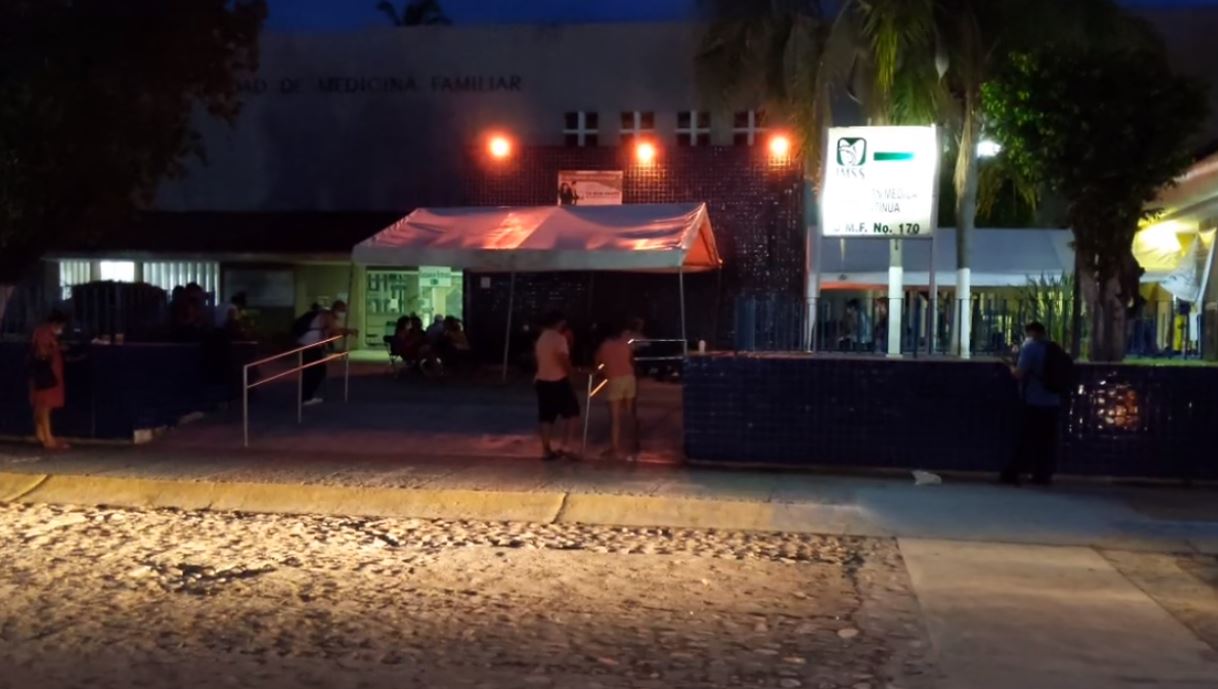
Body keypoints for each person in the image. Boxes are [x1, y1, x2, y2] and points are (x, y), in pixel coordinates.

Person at [1001, 321, 1063, 486]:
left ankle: (1013, 473)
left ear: (1032, 333)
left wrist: (1010, 366)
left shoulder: (1031, 348)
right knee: (1047, 442)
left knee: (1026, 438)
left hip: (1035, 400)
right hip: (1054, 401)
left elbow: (1019, 374)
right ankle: (1043, 475)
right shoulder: (1054, 348)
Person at [534, 310, 580, 460]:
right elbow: (563, 359)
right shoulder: (559, 339)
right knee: (572, 412)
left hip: (542, 380)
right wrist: (572, 373)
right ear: (559, 323)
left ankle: (546, 450)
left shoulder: (541, 338)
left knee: (546, 416)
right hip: (558, 379)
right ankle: (566, 446)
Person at [296, 300, 357, 406]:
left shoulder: (325, 315)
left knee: (313, 371)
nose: (343, 314)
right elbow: (335, 330)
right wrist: (348, 331)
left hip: (310, 344)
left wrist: (346, 331)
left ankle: (306, 396)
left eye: (344, 311)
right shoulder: (327, 315)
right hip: (310, 345)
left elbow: (332, 330)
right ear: (336, 309)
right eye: (342, 311)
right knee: (316, 371)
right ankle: (306, 397)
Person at [596, 321, 639, 460]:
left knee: (615, 418)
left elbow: (598, 364)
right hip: (629, 378)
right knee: (630, 412)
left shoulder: (604, 346)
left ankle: (615, 447)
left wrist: (603, 370)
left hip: (614, 379)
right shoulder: (626, 344)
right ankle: (634, 443)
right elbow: (631, 360)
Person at [28, 310, 69, 450]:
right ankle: (47, 438)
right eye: (61, 326)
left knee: (41, 406)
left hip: (47, 374)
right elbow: (43, 352)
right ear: (55, 323)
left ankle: (41, 435)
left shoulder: (43, 332)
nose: (61, 330)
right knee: (45, 406)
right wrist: (55, 349)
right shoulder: (44, 333)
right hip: (46, 375)